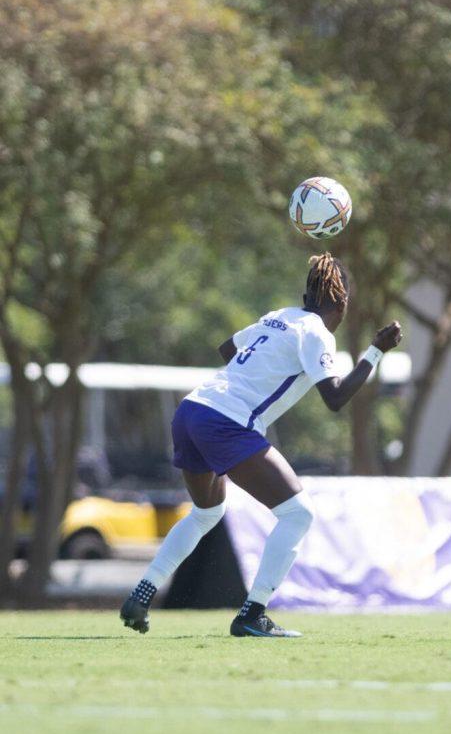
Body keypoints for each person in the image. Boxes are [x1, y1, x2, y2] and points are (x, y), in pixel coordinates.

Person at [120, 253, 402, 638]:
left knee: (206, 513)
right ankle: (253, 613)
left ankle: (143, 591)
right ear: (343, 303)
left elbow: (226, 349)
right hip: (225, 421)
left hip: (192, 410)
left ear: (306, 294)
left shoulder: (279, 315)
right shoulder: (318, 332)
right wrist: (376, 351)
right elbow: (335, 399)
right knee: (298, 514)